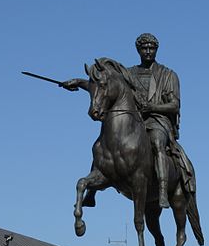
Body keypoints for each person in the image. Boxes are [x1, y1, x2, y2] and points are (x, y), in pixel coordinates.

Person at [62, 33, 192, 209]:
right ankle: (91, 192)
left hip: (157, 121)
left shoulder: (168, 75)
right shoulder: (128, 73)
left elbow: (174, 105)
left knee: (157, 142)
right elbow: (105, 85)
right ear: (138, 50)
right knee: (104, 144)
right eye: (144, 48)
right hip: (133, 121)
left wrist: (152, 107)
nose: (148, 51)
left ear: (156, 50)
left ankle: (162, 192)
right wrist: (79, 82)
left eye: (151, 48)